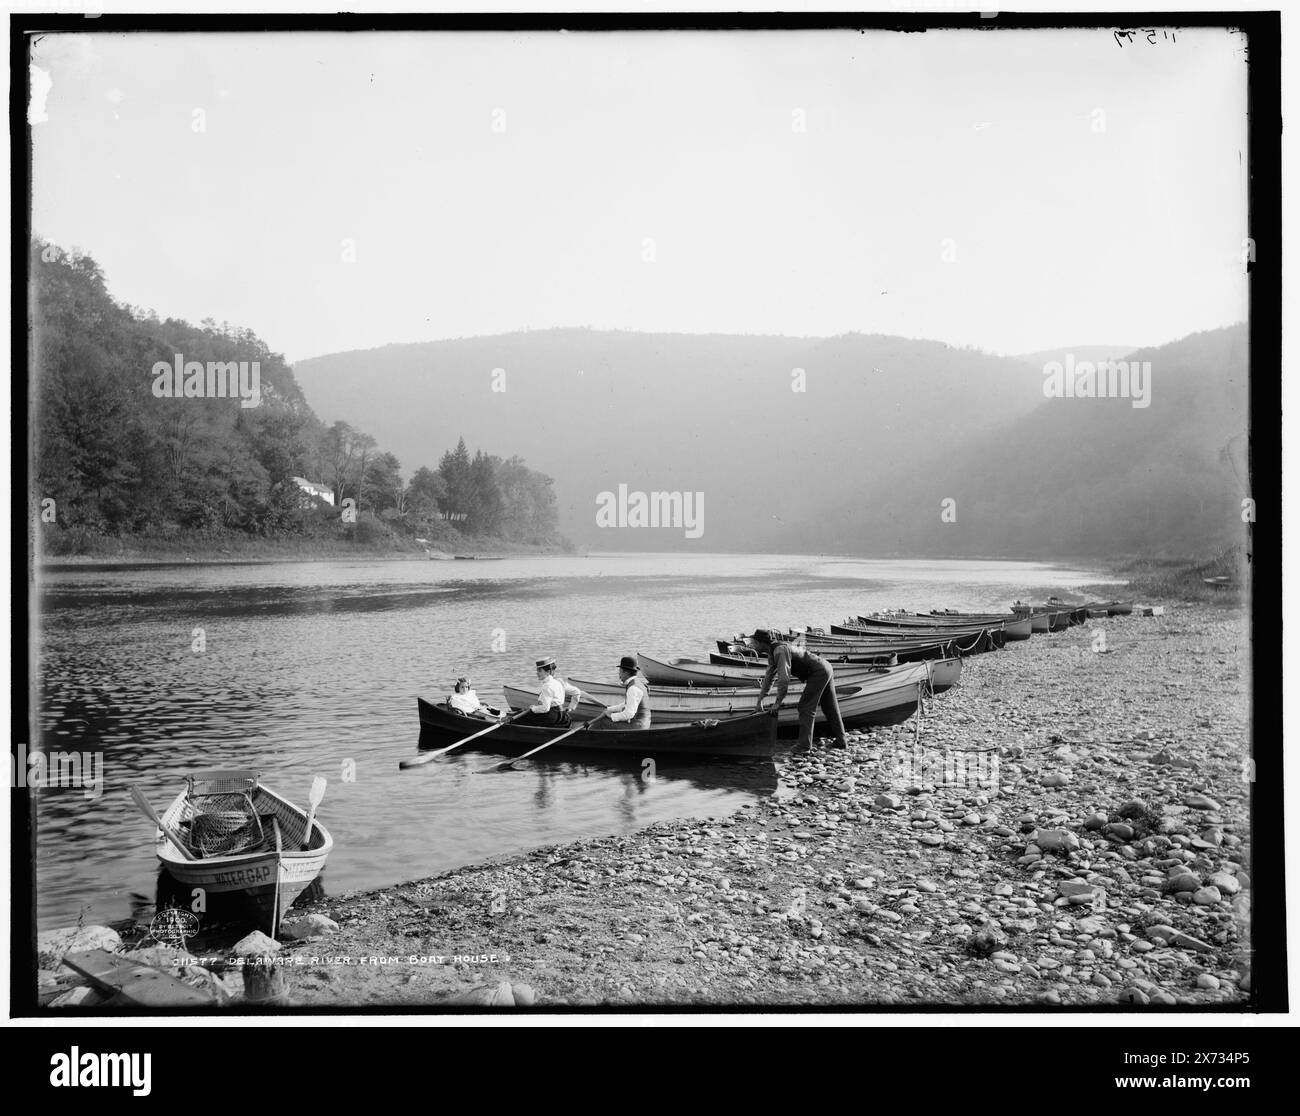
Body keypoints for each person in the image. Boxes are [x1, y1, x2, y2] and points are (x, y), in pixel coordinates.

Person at [751, 628, 848, 753]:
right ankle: (841, 742)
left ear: (761, 643)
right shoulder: (772, 652)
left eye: (753, 642)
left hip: (818, 672)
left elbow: (784, 680)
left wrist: (777, 703)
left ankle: (804, 746)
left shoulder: (780, 651)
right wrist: (760, 702)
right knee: (830, 707)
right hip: (825, 667)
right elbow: (769, 678)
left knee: (805, 707)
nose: (752, 645)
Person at [512, 656, 582, 726]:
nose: (537, 673)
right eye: (537, 670)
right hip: (563, 716)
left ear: (548, 672)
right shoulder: (558, 682)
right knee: (524, 715)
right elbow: (577, 692)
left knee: (519, 719)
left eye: (540, 671)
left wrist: (533, 708)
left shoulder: (547, 686)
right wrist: (571, 708)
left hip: (551, 716)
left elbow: (545, 708)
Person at [593, 654, 652, 730]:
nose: (619, 674)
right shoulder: (638, 683)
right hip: (644, 724)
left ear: (626, 673)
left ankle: (587, 738)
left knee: (602, 722)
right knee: (608, 719)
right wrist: (609, 709)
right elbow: (625, 704)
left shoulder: (633, 688)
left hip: (638, 727)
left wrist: (611, 716)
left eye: (620, 671)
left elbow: (629, 714)